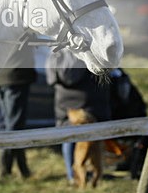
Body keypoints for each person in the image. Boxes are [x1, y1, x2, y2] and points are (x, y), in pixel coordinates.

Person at [47, 48, 112, 184]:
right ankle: (94, 174)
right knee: (94, 141)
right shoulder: (88, 50)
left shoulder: (57, 52)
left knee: (67, 137)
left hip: (64, 102)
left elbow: (51, 78)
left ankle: (72, 176)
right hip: (89, 100)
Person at [0, 47, 37, 178]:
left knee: (12, 125)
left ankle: (23, 169)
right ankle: (5, 169)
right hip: (16, 77)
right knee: (13, 126)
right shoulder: (24, 32)